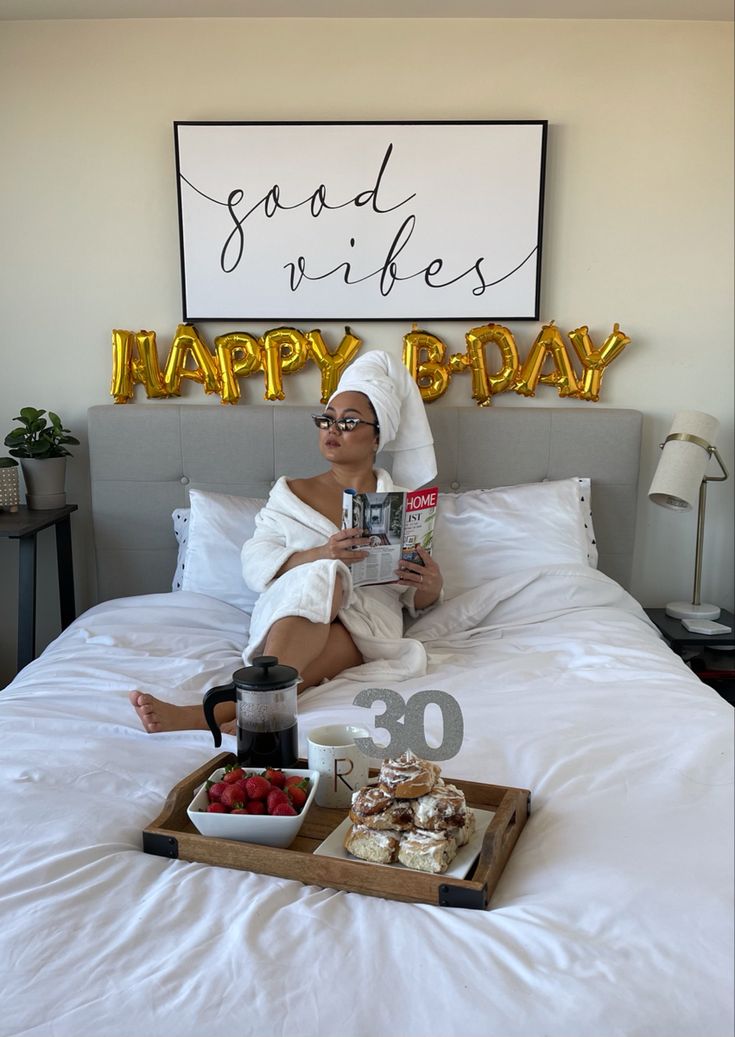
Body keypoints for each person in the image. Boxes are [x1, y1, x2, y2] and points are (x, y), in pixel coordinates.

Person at [130, 350, 443, 734]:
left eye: (348, 422)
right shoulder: (291, 493)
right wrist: (323, 555)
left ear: (377, 436)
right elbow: (255, 561)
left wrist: (430, 585)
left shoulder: (401, 503)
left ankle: (229, 710)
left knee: (340, 637)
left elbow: (413, 600)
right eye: (326, 420)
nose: (333, 430)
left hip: (366, 622)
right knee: (321, 578)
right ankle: (245, 711)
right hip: (293, 609)